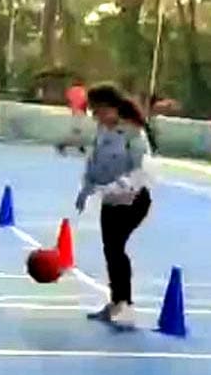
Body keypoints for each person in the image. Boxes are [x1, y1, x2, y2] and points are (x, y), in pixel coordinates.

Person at [76, 83, 152, 330]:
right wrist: (86, 189)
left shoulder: (134, 133)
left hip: (133, 200)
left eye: (98, 110)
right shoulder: (102, 131)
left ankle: (125, 305)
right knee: (111, 250)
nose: (95, 116)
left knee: (116, 248)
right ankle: (116, 302)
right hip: (110, 202)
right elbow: (94, 162)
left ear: (112, 108)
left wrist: (116, 187)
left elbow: (142, 172)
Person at [58, 78, 90, 155]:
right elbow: (85, 101)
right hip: (80, 111)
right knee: (77, 131)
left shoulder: (70, 91)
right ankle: (64, 145)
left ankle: (79, 146)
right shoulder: (83, 91)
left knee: (77, 130)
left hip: (74, 112)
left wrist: (72, 106)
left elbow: (68, 101)